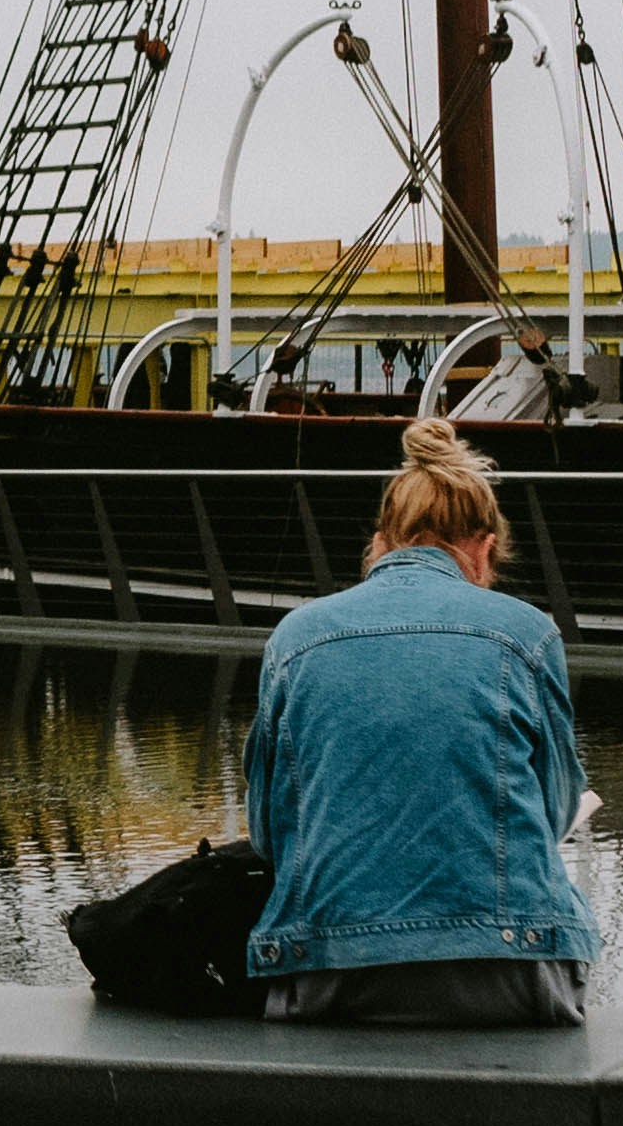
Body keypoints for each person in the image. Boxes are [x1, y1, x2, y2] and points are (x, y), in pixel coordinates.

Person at [242, 414, 596, 1025]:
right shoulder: (528, 634)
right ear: (484, 550)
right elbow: (556, 810)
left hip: (330, 974)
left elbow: (267, 834)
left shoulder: (295, 637)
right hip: (512, 975)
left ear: (380, 542)